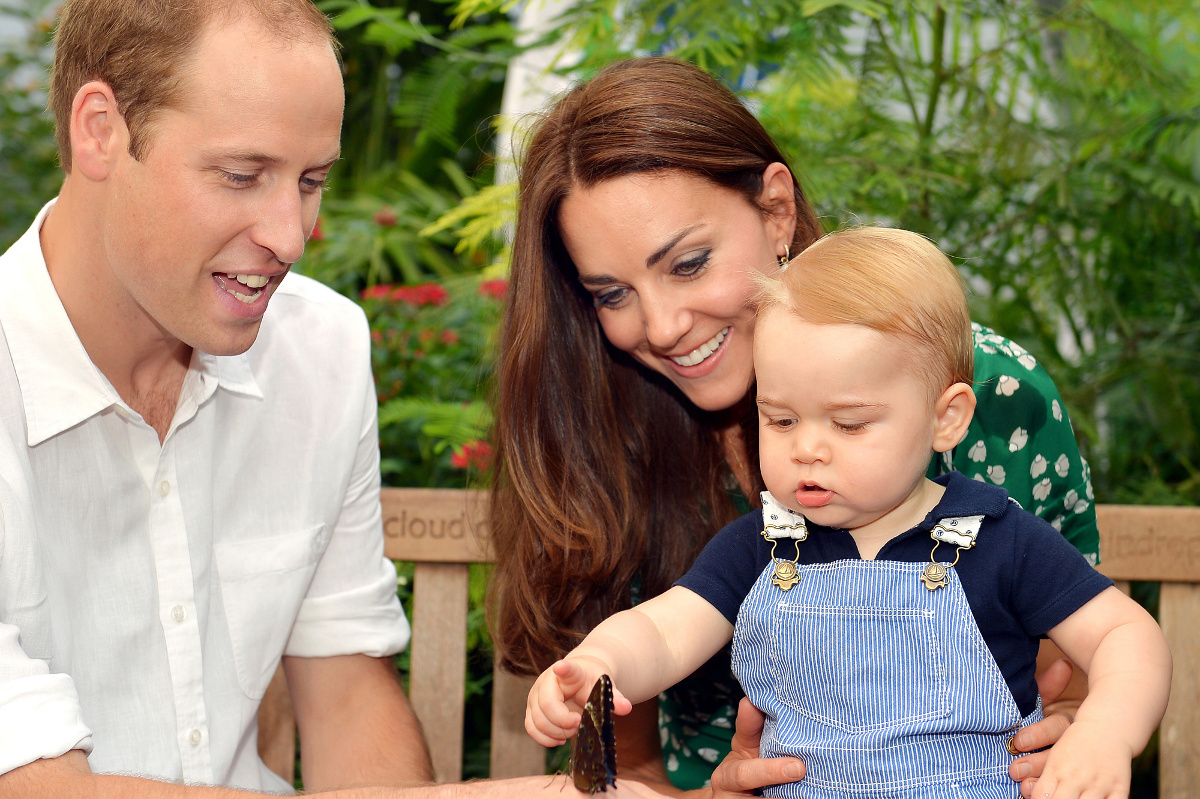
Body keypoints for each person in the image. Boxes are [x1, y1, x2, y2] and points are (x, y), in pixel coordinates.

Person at [0, 3, 676, 799]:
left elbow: (347, 686)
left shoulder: (319, 347)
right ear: (101, 130)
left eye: (312, 180)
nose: (290, 235)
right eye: (242, 175)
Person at [488, 57, 1100, 798]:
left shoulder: (980, 390)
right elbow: (633, 748)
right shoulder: (611, 428)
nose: (662, 325)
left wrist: (1077, 722)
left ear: (776, 211)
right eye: (613, 292)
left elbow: (1086, 661)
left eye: (688, 263)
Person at [526, 227, 1171, 799]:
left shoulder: (998, 540)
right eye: (779, 419)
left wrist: (1106, 732)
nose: (806, 447)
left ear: (947, 418)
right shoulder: (762, 546)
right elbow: (664, 632)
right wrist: (600, 664)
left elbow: (1125, 635)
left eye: (849, 424)